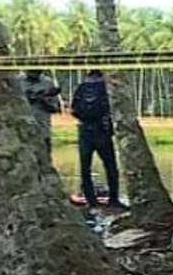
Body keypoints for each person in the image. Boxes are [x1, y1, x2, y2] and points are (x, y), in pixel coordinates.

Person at [71, 70, 123, 211]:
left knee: (85, 168)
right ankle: (113, 199)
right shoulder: (105, 88)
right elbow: (113, 107)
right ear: (101, 76)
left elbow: (74, 111)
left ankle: (90, 201)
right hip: (102, 131)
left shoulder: (81, 88)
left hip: (84, 131)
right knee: (110, 166)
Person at [22, 69, 61, 155]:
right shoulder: (18, 81)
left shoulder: (47, 82)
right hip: (24, 134)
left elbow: (55, 108)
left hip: (43, 132)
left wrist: (43, 101)